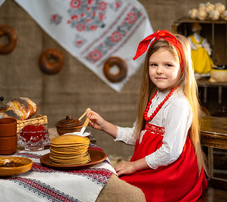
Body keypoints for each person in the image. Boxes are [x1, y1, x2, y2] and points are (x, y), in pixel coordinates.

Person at [87, 30, 207, 202]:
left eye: (168, 65)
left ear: (183, 68)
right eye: (153, 65)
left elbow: (170, 152)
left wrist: (134, 166)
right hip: (152, 164)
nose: (159, 71)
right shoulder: (155, 97)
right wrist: (105, 125)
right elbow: (137, 136)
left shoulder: (178, 103)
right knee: (114, 185)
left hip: (171, 171)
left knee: (122, 190)